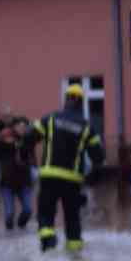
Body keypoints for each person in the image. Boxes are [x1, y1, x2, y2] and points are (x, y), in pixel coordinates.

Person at [28, 84, 104, 252]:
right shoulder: (87, 127)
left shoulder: (50, 119)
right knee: (72, 218)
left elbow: (29, 136)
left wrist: (24, 154)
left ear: (67, 100)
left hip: (49, 176)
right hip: (73, 180)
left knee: (45, 213)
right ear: (81, 103)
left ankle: (48, 240)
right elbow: (99, 157)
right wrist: (92, 178)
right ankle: (75, 254)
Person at [0, 117, 34, 229]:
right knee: (9, 214)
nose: (23, 129)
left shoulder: (27, 141)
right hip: (7, 182)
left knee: (28, 210)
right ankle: (10, 232)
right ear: (14, 127)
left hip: (24, 181)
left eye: (25, 127)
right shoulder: (2, 140)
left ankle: (21, 226)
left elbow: (31, 158)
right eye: (20, 126)